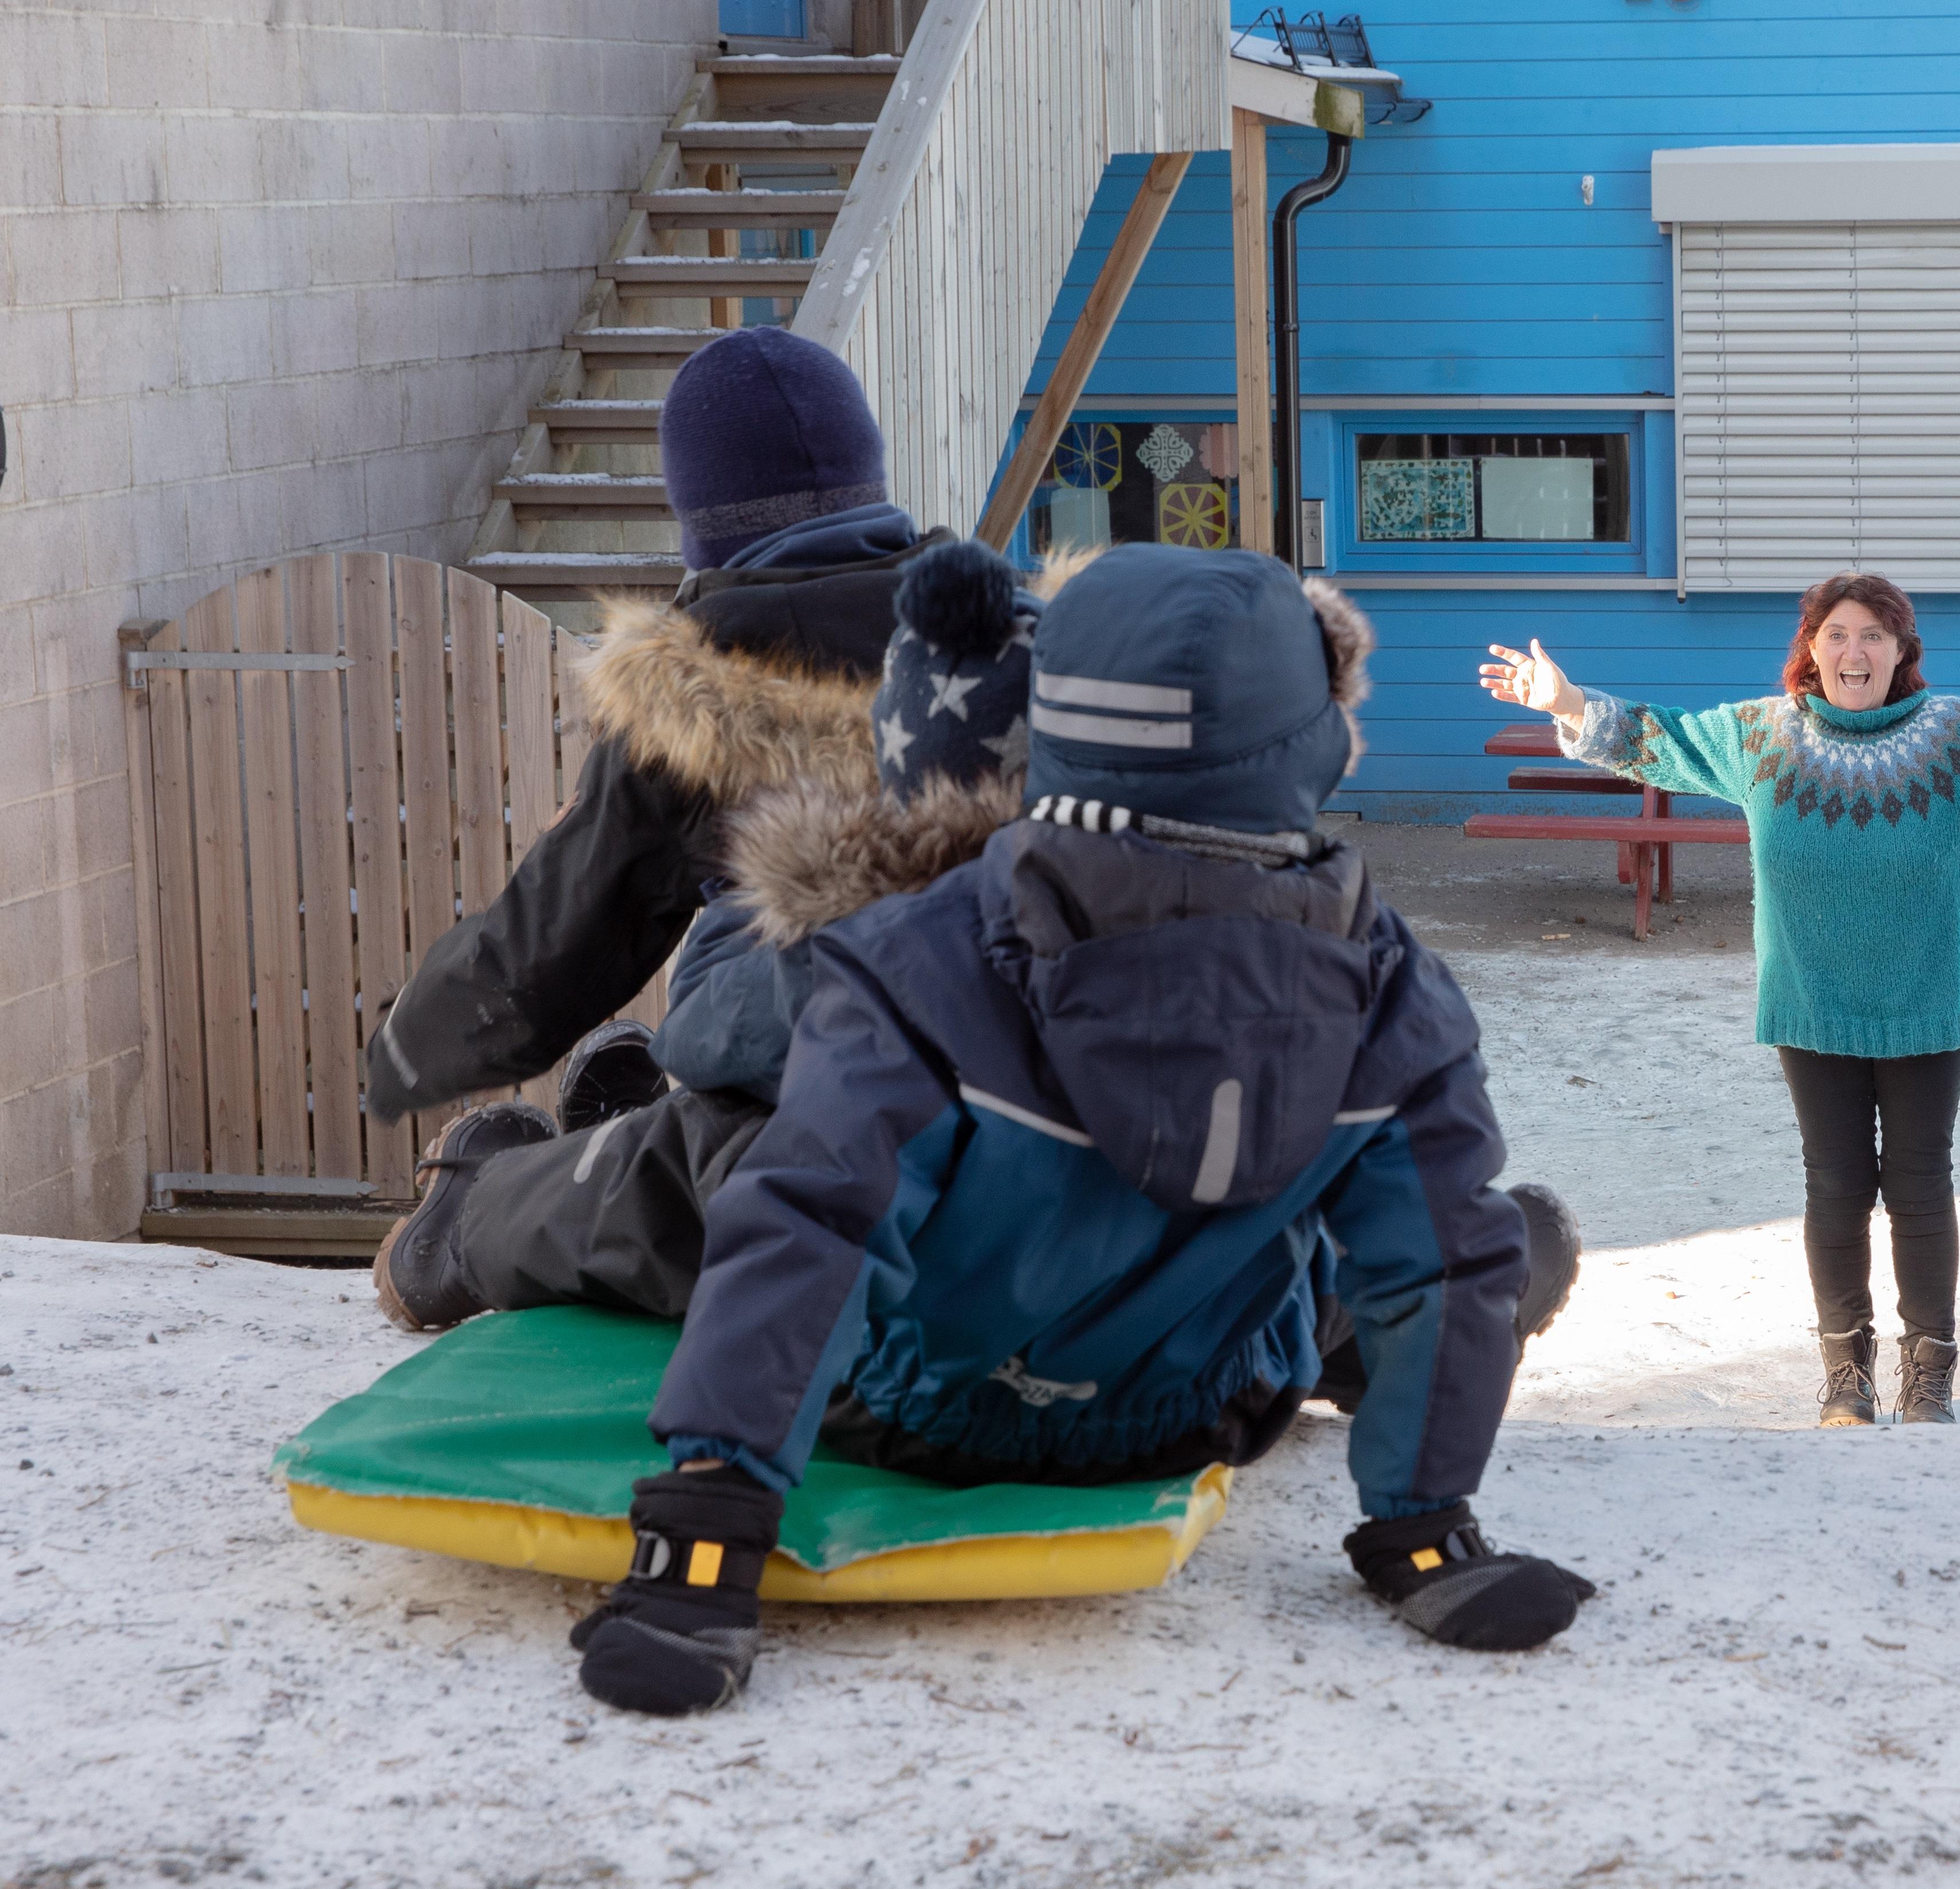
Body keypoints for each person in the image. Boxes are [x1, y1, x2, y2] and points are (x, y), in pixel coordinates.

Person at [572, 546, 1593, 1717]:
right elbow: (1437, 1254)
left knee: (674, 1183)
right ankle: (1526, 1261)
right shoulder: (1393, 989)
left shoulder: (921, 958)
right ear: (1311, 738)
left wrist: (707, 1540)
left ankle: (467, 1210)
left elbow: (814, 1216)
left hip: (915, 1413)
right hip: (1196, 1413)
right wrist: (1426, 1532)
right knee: (1388, 1245)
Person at [1480, 575, 1960, 1429]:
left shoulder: (1958, 739)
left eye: (1871, 635)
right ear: (1811, 648)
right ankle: (1845, 1374)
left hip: (1925, 998)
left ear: (1902, 653)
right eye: (1835, 633)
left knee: (1919, 1185)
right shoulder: (1760, 736)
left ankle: (1928, 1372)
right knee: (1835, 1186)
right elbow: (1655, 738)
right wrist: (1563, 699)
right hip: (1813, 1000)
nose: (1852, 651)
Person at [370, 541, 1044, 1332]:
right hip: (1070, 1271)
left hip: (888, 1290)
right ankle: (605, 1143)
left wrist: (753, 876)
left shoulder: (893, 926)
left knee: (682, 1164)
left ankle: (464, 1224)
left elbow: (699, 1024)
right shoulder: (1135, 893)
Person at [362, 327, 953, 1152]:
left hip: (805, 1113)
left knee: (586, 1184)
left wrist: (404, 1048)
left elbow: (553, 943)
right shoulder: (1010, 630)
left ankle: (487, 1210)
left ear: (697, 513)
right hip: (1011, 1077)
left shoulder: (697, 692)